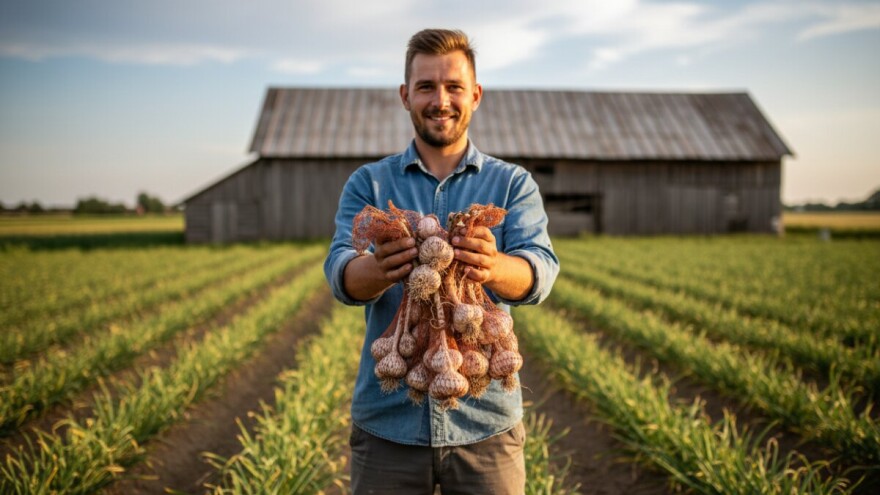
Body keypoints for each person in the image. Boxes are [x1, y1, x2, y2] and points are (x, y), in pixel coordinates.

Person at [324, 28, 559, 494]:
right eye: (427, 86)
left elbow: (540, 270)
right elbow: (340, 272)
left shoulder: (513, 184)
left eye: (453, 87)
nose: (441, 100)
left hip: (486, 423)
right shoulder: (369, 184)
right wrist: (380, 268)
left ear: (475, 95)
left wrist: (492, 267)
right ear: (405, 95)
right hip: (387, 428)